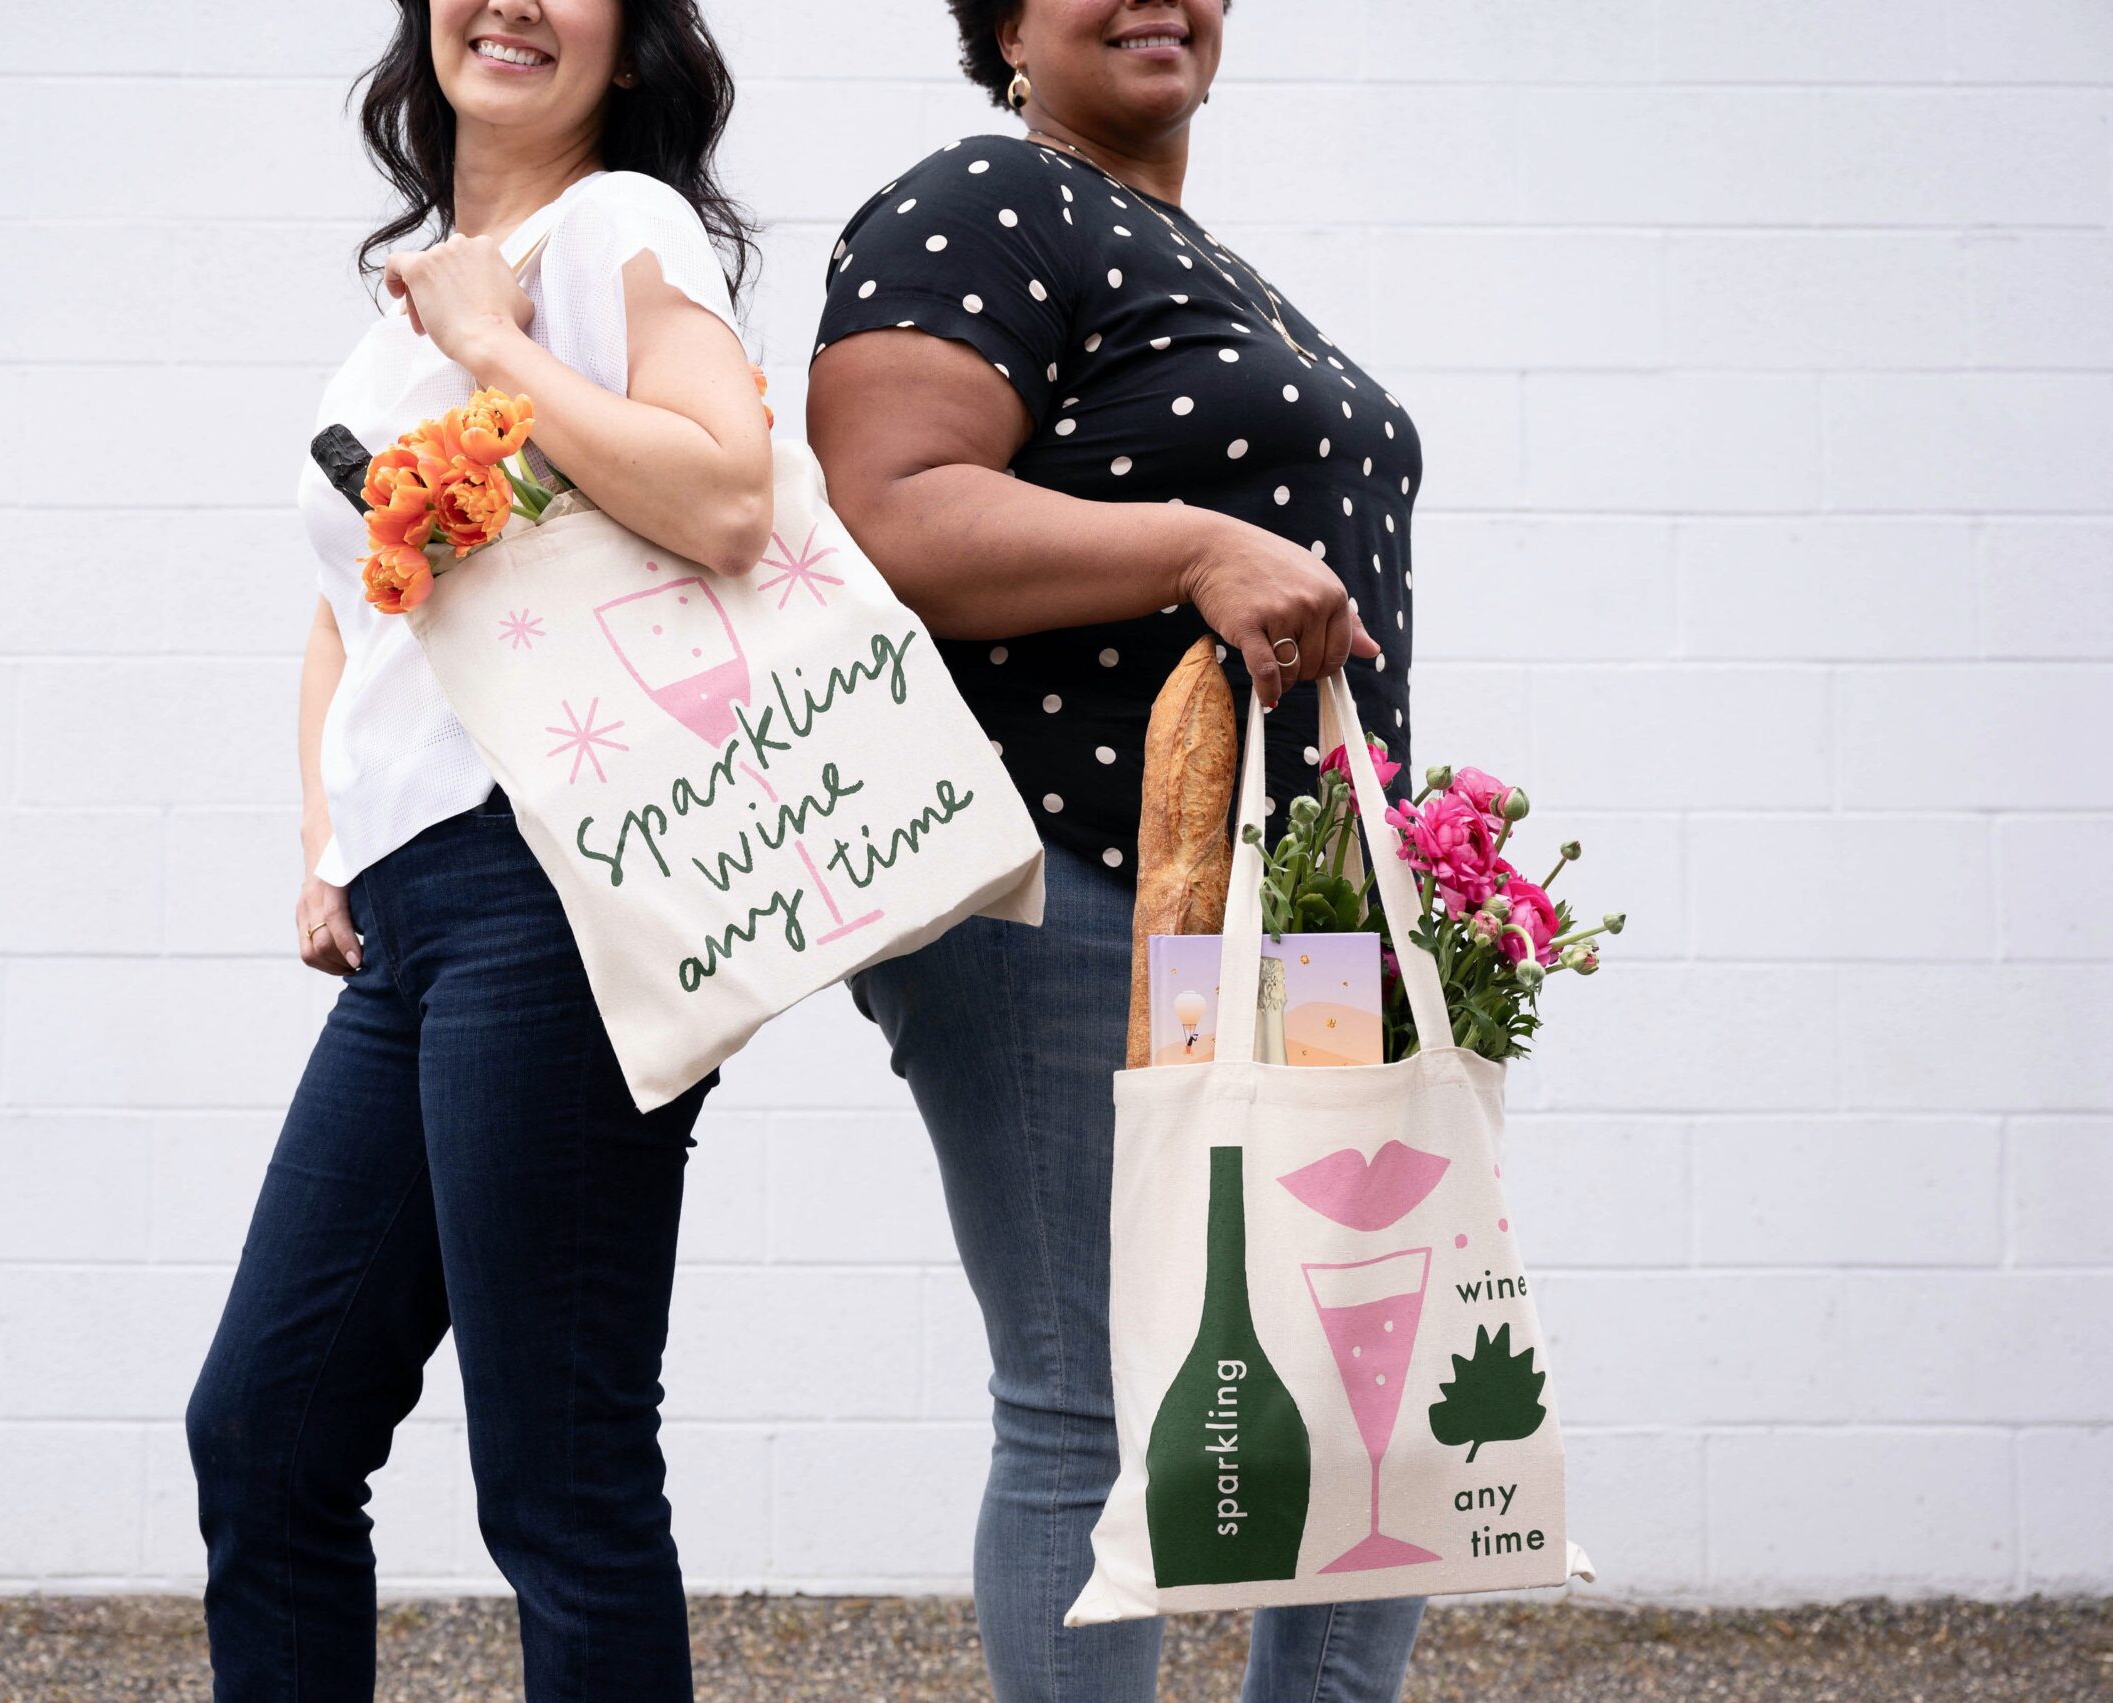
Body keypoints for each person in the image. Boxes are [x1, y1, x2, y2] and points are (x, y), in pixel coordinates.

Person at [806, 2, 1426, 1699]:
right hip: (1071, 884)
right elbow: (896, 507)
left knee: (1361, 1404)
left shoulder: (1199, 255)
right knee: (1094, 1400)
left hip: (1306, 920)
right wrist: (1202, 542)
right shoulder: (978, 203)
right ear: (1006, 21)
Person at [183, 1, 770, 1698]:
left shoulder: (622, 233)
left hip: (560, 894)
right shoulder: (407, 308)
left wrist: (500, 344)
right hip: (415, 905)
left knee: (559, 1471)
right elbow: (345, 609)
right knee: (265, 1431)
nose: (509, 1)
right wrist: (325, 835)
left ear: (634, 44)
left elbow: (727, 494)